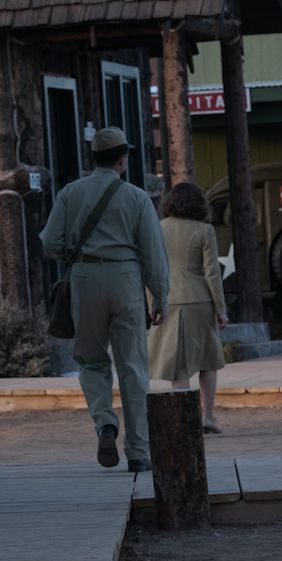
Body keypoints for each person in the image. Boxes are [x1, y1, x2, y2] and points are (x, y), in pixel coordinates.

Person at [40, 127, 169, 472]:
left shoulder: (70, 193)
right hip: (126, 279)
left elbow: (50, 244)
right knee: (133, 368)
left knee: (91, 361)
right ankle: (139, 453)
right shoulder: (137, 197)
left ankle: (105, 425)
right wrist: (161, 297)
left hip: (84, 278)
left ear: (92, 158)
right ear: (123, 159)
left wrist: (77, 249)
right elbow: (154, 255)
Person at [148, 182, 228, 433]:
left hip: (169, 299)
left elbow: (151, 269)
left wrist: (153, 304)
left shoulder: (158, 229)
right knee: (208, 360)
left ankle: (182, 418)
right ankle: (209, 416)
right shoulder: (205, 230)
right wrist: (221, 308)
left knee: (178, 364)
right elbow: (212, 273)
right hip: (200, 300)